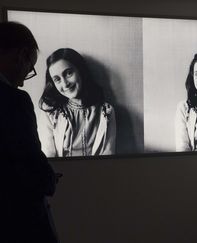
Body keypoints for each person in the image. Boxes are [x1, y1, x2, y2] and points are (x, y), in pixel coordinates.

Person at [0, 21, 57, 243]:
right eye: (29, 67)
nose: (23, 81)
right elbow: (28, 159)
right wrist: (49, 178)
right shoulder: (14, 100)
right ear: (21, 55)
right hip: (15, 220)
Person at [38, 48, 116, 157]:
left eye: (68, 73)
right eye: (57, 79)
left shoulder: (106, 112)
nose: (65, 84)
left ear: (81, 70)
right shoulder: (49, 112)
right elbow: (48, 156)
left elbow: (108, 154)